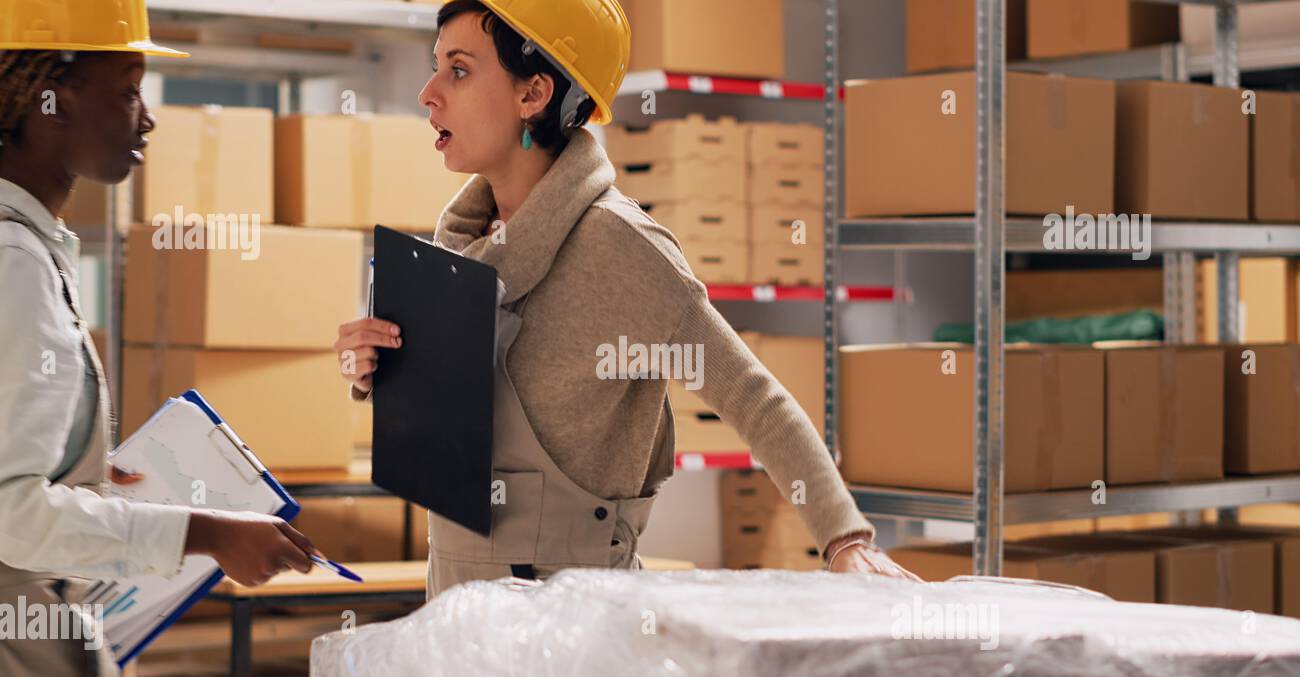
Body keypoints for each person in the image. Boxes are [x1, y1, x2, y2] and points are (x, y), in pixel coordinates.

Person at [335, 0, 921, 597]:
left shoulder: (620, 246)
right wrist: (376, 367)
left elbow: (753, 397)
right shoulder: (458, 246)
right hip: (454, 607)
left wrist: (846, 539)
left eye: (458, 70)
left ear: (533, 93)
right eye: (436, 68)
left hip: (571, 619)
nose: (428, 94)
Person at [0, 0, 320, 677]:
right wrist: (207, 533)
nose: (146, 118)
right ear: (51, 97)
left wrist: (80, 469)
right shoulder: (14, 265)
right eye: (128, 89)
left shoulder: (25, 249)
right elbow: (10, 514)